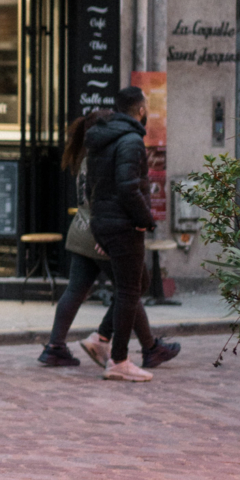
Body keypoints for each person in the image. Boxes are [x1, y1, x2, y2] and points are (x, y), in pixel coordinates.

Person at [38, 110, 178, 370]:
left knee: (77, 290)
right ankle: (143, 346)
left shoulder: (84, 157)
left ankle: (55, 347)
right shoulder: (103, 156)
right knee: (133, 287)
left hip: (80, 232)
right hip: (100, 234)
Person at [83, 86, 174, 382]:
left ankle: (101, 338)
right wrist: (145, 220)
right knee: (128, 290)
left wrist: (101, 225)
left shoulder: (101, 138)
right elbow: (128, 187)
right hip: (123, 224)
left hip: (105, 221)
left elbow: (89, 186)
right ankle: (118, 360)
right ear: (141, 109)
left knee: (137, 283)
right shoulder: (132, 140)